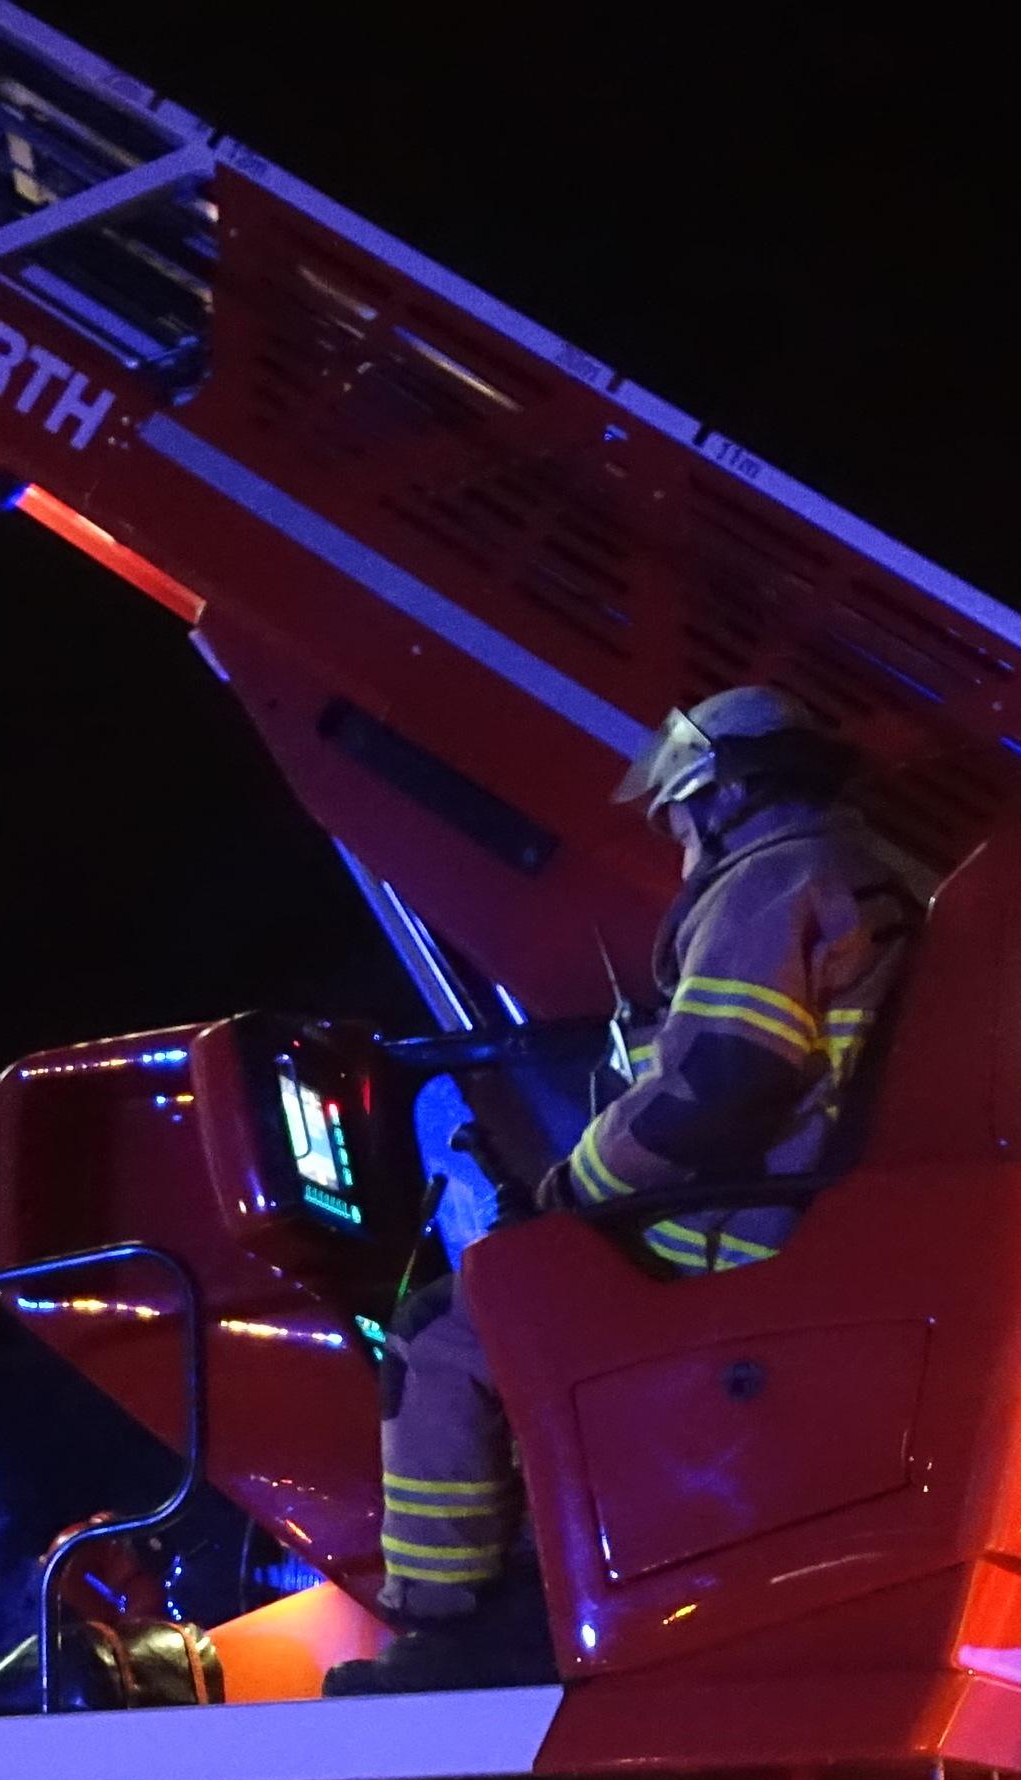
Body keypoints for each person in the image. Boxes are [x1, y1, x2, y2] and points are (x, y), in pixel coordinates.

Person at [349, 687, 921, 1691]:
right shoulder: (847, 870)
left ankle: (443, 1633)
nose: (680, 842)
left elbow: (722, 1081)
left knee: (444, 1331)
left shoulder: (772, 879)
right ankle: (531, 1580)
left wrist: (571, 1191)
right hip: (798, 1217)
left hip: (736, 1235)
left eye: (681, 817)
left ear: (726, 796)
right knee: (525, 1300)